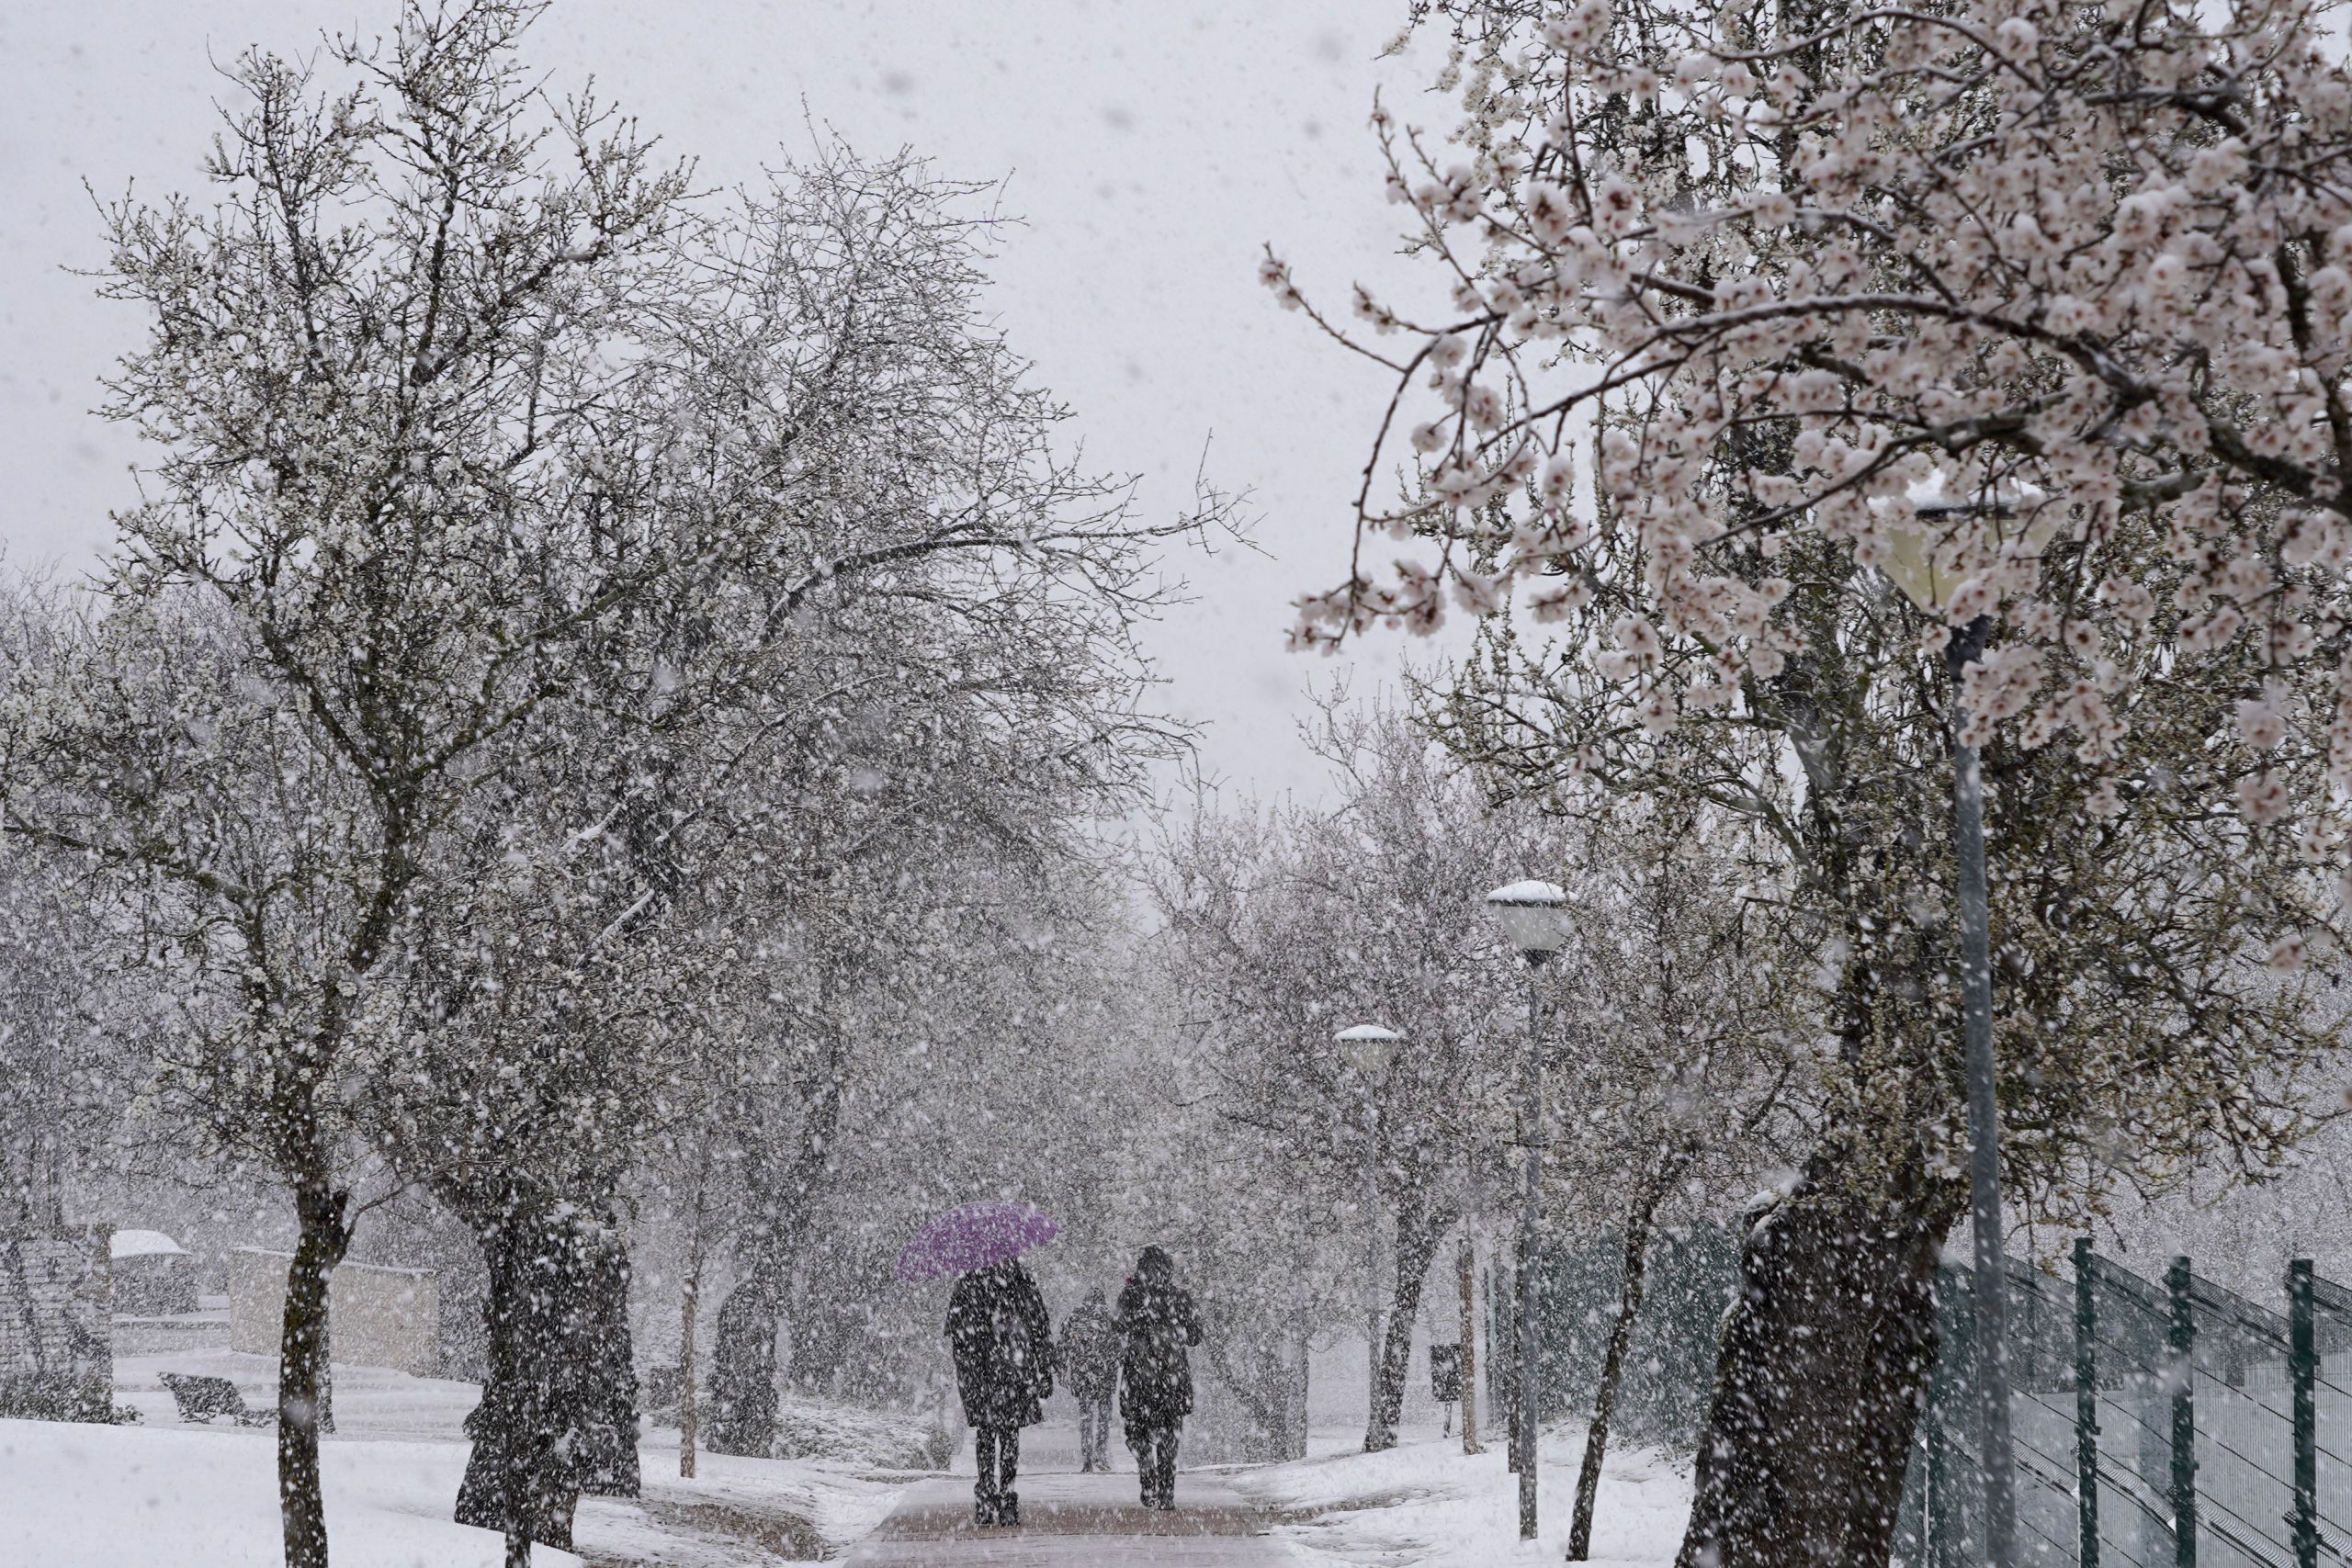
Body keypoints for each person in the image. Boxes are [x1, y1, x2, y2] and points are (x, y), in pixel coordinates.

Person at [945, 1256, 1053, 1527]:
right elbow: (1039, 1326)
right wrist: (1044, 1368)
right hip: (1008, 1370)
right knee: (1006, 1433)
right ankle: (1005, 1497)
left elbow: (956, 1331)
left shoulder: (970, 1281)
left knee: (991, 1433)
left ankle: (988, 1496)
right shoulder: (1021, 1280)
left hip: (984, 1371)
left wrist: (969, 1361)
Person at [1113, 1246, 1203, 1511]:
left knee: (1136, 1430)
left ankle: (1146, 1470)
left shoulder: (1130, 1296)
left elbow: (1116, 1326)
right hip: (1171, 1377)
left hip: (1139, 1376)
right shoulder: (1179, 1297)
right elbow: (1196, 1336)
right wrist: (1175, 1332)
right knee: (1169, 1435)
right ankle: (1166, 1491)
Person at [1058, 1286, 1119, 1473]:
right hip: (1104, 1372)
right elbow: (1118, 1346)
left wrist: (1062, 1368)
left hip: (1082, 1372)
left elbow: (1063, 1343)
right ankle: (1100, 1452)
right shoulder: (1109, 1317)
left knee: (1085, 1414)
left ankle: (1087, 1457)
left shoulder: (1074, 1317)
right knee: (1103, 1414)